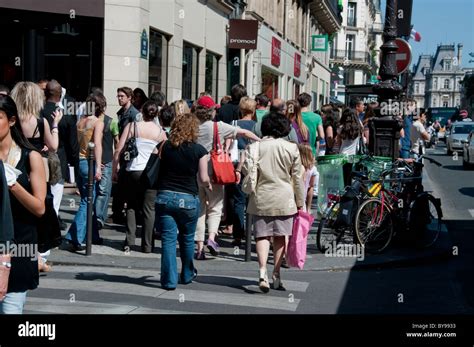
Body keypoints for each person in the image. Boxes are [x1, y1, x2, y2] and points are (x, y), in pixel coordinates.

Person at [238, 111, 304, 293]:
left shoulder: (255, 147)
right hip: (285, 198)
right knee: (281, 237)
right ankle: (276, 274)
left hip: (260, 197)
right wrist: (300, 201)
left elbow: (246, 170)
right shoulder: (291, 148)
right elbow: (297, 178)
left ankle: (261, 271)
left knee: (261, 235)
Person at [194, 96, 260, 259]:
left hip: (195, 170)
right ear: (211, 111)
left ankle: (199, 247)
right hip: (215, 170)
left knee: (200, 209)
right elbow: (244, 132)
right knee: (215, 207)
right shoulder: (219, 126)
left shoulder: (192, 127)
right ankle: (211, 238)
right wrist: (261, 141)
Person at [0, 95, 46, 314]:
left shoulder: (30, 157)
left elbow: (39, 208)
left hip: (20, 245)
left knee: (11, 309)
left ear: (11, 121)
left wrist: (13, 184)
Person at [155, 113, 210, 290]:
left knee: (168, 240)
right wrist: (209, 185)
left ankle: (169, 281)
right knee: (187, 239)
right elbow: (203, 178)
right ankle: (186, 274)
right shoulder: (199, 150)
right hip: (188, 199)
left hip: (165, 197)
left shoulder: (164, 146)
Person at [113, 101, 167, 253]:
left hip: (132, 170)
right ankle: (147, 245)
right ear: (156, 114)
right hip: (151, 173)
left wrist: (115, 170)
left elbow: (119, 148)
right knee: (149, 209)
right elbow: (164, 153)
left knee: (130, 205)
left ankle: (129, 241)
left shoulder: (132, 126)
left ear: (141, 112)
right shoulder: (160, 132)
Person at [64, 94, 105, 251]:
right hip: (89, 162)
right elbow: (98, 145)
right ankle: (75, 236)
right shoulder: (97, 123)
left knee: (88, 198)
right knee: (88, 200)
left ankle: (92, 235)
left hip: (79, 162)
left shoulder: (80, 122)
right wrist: (99, 167)